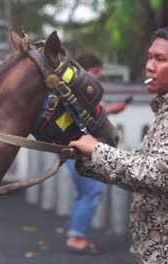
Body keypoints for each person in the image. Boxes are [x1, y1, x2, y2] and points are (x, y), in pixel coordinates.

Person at [69, 26, 168, 263]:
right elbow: (137, 169)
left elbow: (155, 175)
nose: (149, 66)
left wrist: (97, 150)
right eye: (150, 57)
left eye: (160, 59)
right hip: (162, 251)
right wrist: (82, 157)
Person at [65, 53, 127, 255]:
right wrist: (109, 110)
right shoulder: (78, 91)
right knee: (91, 191)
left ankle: (75, 234)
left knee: (86, 192)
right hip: (79, 149)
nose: (98, 77)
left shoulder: (73, 90)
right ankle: (76, 238)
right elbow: (86, 118)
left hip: (75, 148)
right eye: (95, 73)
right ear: (83, 71)